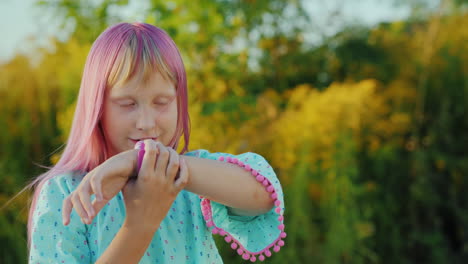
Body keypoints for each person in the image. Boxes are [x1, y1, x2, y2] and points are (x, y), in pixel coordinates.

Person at [27, 22, 286, 263]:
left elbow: (262, 194)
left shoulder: (189, 174)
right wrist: (141, 223)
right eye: (127, 104)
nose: (147, 123)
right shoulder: (66, 194)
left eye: (162, 103)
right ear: (97, 107)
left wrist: (136, 161)